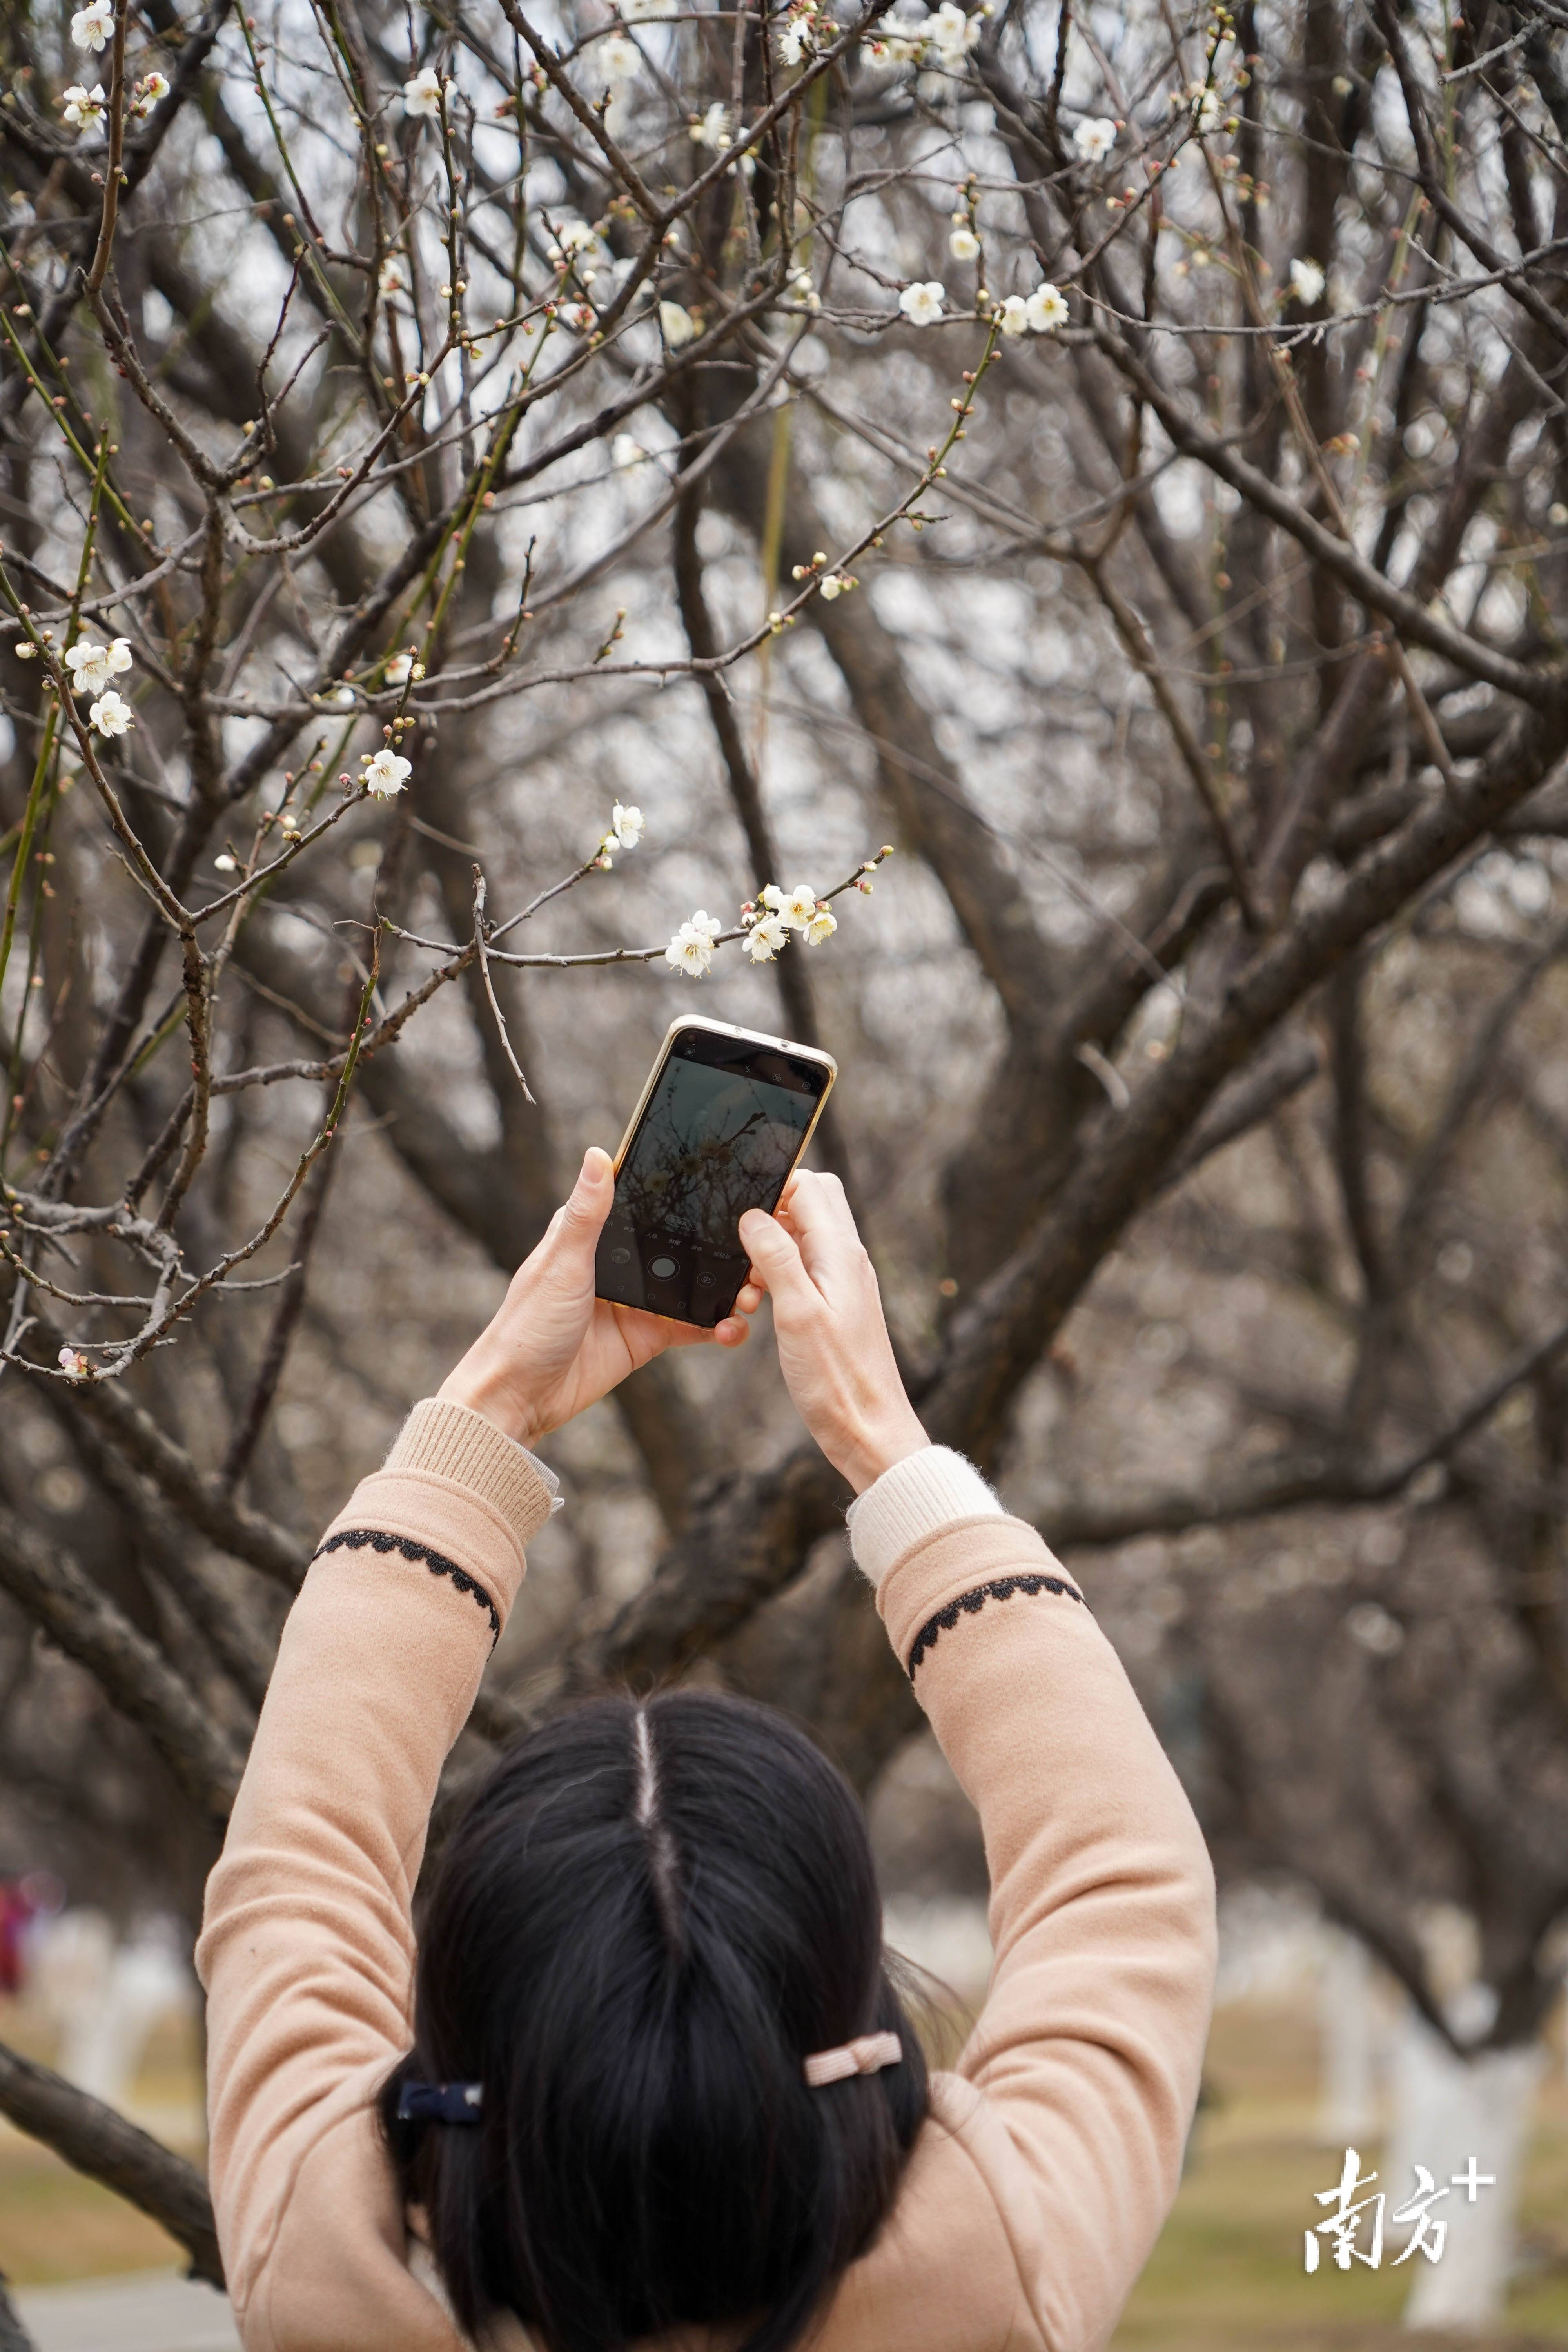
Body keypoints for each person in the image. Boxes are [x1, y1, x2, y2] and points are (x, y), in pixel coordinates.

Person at [198, 1149, 1216, 2352]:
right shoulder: (979, 2274)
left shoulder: (333, 2273)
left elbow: (298, 1877)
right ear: (848, 2036)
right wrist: (888, 1445)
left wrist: (488, 1411)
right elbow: (1127, 1892)